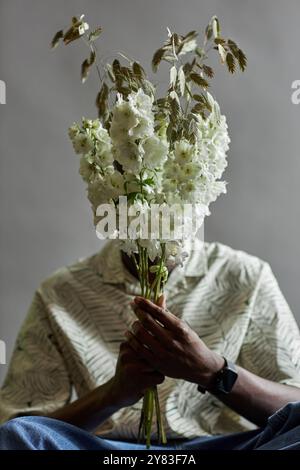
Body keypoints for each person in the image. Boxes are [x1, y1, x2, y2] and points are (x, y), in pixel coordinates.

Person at [1, 240, 300, 450]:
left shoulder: (246, 275)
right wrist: (114, 394)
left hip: (225, 446)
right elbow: (20, 426)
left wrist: (214, 372)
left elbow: (295, 407)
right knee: (17, 437)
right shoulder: (60, 292)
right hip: (107, 451)